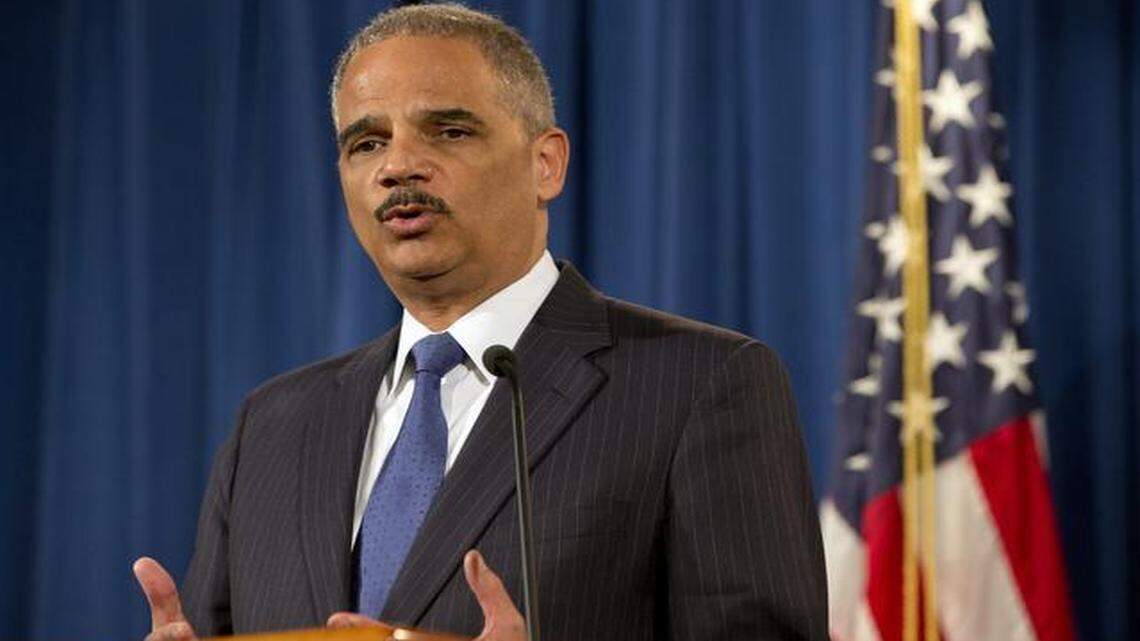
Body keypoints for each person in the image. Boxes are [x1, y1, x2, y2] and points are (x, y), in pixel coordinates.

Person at [133, 4, 828, 640]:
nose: (399, 164)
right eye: (366, 143)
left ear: (545, 163)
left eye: (450, 130)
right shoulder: (275, 424)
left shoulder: (699, 385)